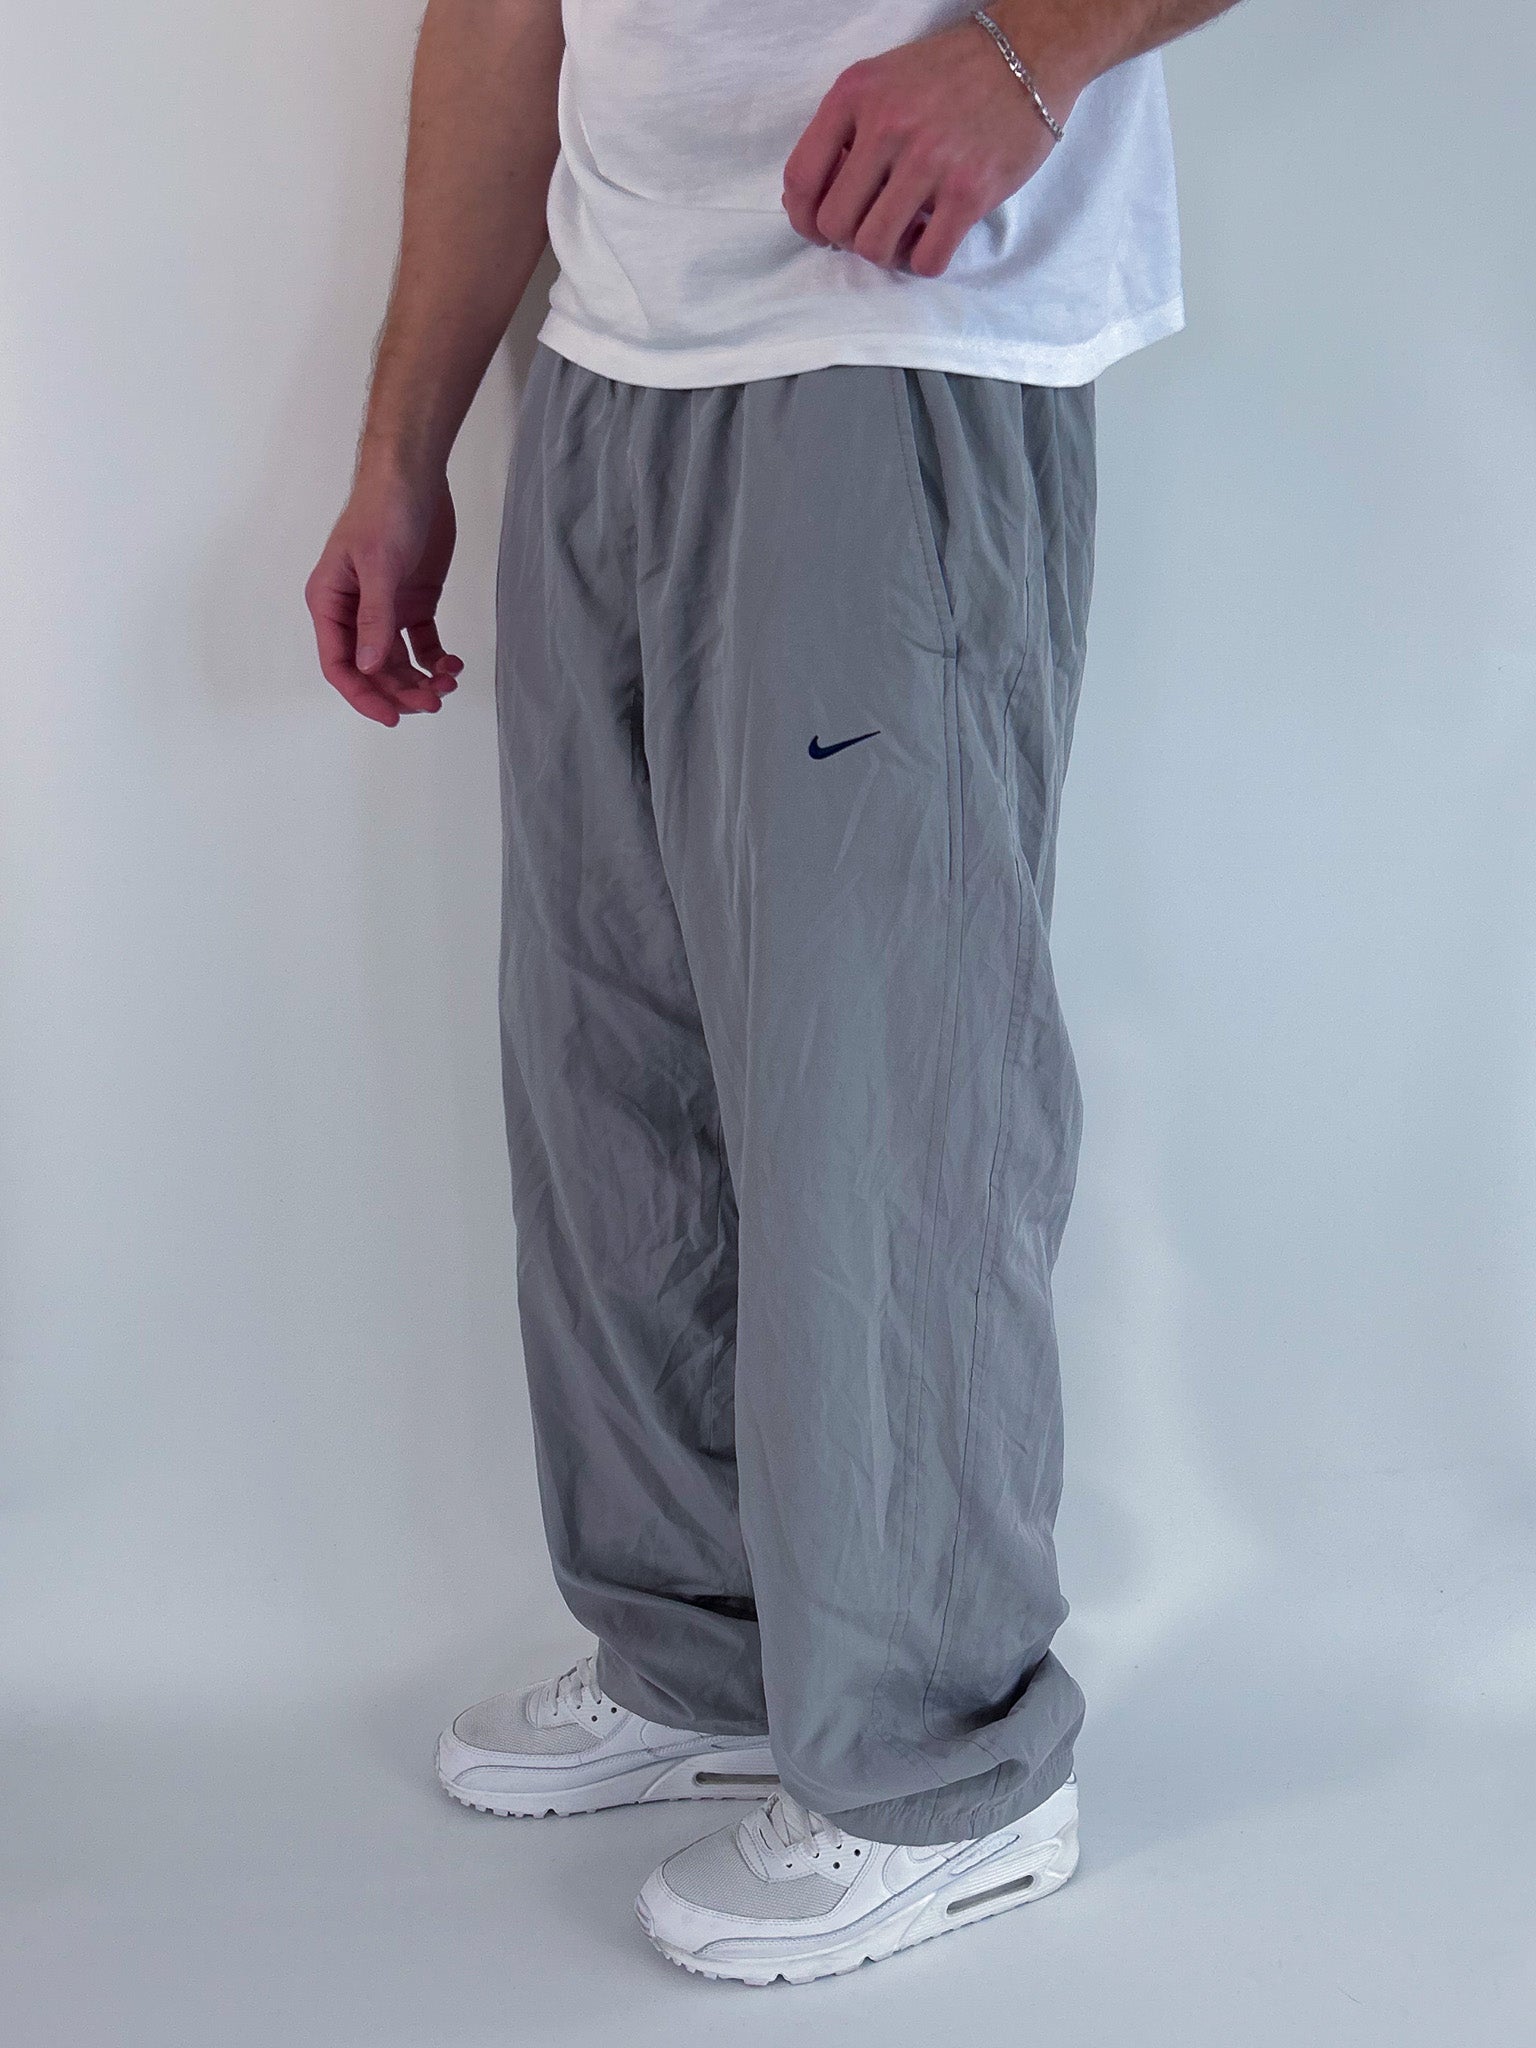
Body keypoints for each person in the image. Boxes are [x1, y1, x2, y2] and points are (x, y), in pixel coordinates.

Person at [306, 0, 1237, 1986]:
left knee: (882, 1094)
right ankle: (705, 1649)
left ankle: (943, 1763)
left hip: (894, 341)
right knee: (612, 1076)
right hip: (608, 353)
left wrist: (1030, 52)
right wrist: (404, 441)